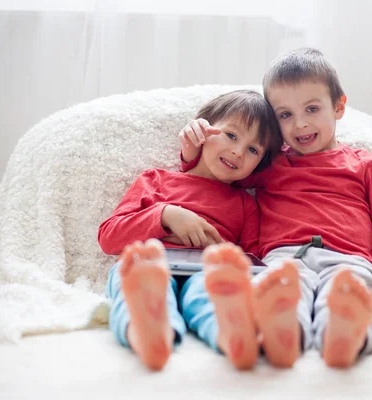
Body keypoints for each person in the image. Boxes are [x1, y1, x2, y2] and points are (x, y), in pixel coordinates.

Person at [180, 48, 372, 369]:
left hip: (350, 259)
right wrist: (193, 152)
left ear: (339, 107)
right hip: (285, 258)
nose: (300, 124)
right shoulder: (270, 163)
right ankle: (280, 333)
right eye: (285, 115)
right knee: (278, 289)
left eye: (312, 109)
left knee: (354, 289)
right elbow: (224, 176)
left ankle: (346, 334)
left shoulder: (364, 165)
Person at [98, 89, 284, 371]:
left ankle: (233, 334)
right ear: (202, 130)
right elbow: (110, 237)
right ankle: (146, 331)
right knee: (141, 284)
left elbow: (251, 262)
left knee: (210, 295)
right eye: (231, 135)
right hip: (150, 262)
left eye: (253, 150)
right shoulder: (156, 181)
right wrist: (166, 215)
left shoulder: (246, 204)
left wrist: (218, 247)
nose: (237, 151)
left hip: (206, 270)